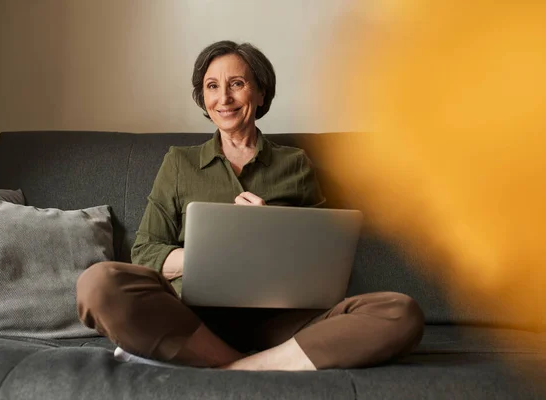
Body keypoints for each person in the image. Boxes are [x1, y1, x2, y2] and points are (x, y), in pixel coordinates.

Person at [76, 40, 424, 370]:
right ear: (203, 98)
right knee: (98, 283)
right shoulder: (179, 163)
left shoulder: (296, 164)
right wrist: (216, 253)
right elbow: (145, 251)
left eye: (237, 83)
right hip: (195, 319)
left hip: (283, 320)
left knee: (400, 312)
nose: (223, 97)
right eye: (212, 86)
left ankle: (230, 366)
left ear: (259, 93)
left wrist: (270, 228)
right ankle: (255, 363)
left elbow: (324, 261)